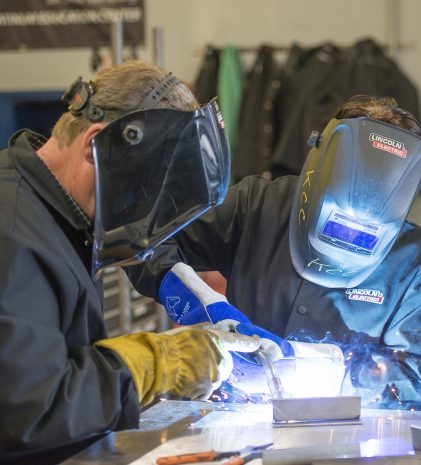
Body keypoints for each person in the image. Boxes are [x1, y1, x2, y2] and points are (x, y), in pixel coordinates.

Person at [0, 61, 261, 465]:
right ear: (95, 146)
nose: (140, 214)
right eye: (141, 192)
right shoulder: (14, 233)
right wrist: (155, 363)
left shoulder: (55, 215)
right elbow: (29, 411)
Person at [128, 95, 421, 409]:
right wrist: (200, 304)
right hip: (234, 411)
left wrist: (303, 365)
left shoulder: (420, 264)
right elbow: (145, 237)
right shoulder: (258, 205)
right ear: (323, 161)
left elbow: (411, 376)